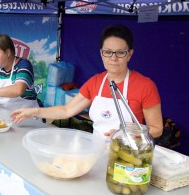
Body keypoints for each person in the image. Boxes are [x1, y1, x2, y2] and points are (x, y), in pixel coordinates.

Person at [11, 24, 163, 139]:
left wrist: (125, 134)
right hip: (96, 150)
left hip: (127, 154)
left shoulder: (145, 86)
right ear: (101, 54)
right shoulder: (95, 82)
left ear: (130, 54)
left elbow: (156, 129)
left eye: (120, 53)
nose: (113, 58)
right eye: (108, 52)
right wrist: (34, 111)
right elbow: (66, 111)